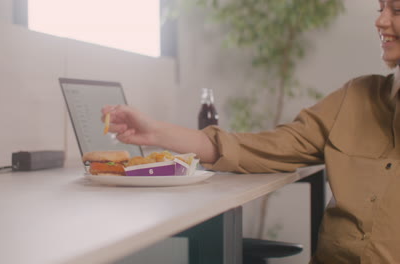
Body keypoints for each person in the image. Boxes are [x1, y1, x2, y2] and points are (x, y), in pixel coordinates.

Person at [101, 1, 400, 263]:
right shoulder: (358, 96)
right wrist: (155, 132)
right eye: (380, 8)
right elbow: (264, 147)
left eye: (397, 10)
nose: (381, 20)